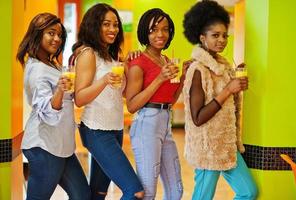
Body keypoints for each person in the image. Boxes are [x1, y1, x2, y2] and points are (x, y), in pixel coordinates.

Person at [182, 1, 258, 199]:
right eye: (215, 35)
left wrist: (236, 87)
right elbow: (198, 118)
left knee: (248, 192)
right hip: (208, 148)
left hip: (227, 145)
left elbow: (229, 103)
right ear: (202, 37)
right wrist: (227, 90)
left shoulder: (223, 66)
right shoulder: (197, 70)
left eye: (225, 35)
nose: (222, 40)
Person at [72, 3, 144, 200]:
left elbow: (123, 94)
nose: (113, 29)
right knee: (135, 191)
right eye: (106, 24)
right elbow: (79, 98)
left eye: (115, 25)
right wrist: (104, 80)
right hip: (96, 130)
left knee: (98, 193)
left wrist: (128, 66)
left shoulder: (113, 56)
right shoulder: (88, 54)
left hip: (115, 128)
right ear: (94, 25)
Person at [17, 13, 91, 200]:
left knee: (82, 195)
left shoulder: (52, 64)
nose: (57, 39)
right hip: (45, 146)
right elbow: (47, 111)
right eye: (51, 33)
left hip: (62, 145)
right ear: (37, 34)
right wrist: (59, 90)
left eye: (60, 35)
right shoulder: (36, 69)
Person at [126, 8, 188, 200]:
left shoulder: (167, 61)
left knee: (176, 190)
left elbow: (169, 100)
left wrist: (183, 77)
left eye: (165, 29)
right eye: (153, 29)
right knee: (148, 192)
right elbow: (132, 105)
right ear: (145, 31)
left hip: (165, 123)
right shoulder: (138, 63)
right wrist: (160, 78)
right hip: (146, 125)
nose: (160, 34)